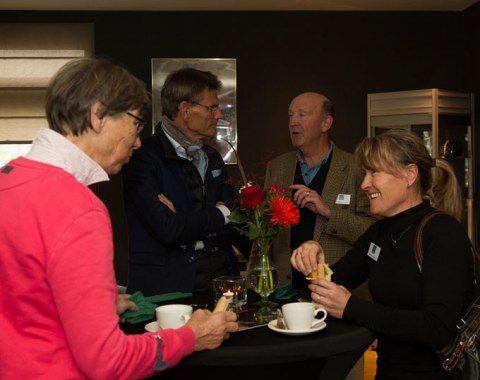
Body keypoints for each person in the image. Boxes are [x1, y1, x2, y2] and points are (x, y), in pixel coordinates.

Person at [0, 57, 238, 379]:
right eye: (136, 123)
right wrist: (190, 337)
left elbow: (22, 298)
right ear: (98, 115)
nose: (138, 141)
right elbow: (108, 361)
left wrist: (91, 308)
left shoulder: (9, 180)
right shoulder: (79, 207)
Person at [291, 128, 475, 379]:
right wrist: (315, 257)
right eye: (365, 173)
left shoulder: (442, 233)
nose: (365, 184)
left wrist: (351, 307)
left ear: (410, 174)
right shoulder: (380, 233)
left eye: (374, 172)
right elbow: (331, 284)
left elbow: (436, 328)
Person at [123, 67, 244, 296]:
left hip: (220, 285)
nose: (218, 115)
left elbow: (236, 218)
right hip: (167, 292)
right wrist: (220, 215)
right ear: (185, 109)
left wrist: (186, 221)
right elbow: (168, 230)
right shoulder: (142, 157)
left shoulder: (212, 157)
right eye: (212, 108)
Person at [262, 91, 376, 288]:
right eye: (290, 115)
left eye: (302, 114)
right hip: (284, 290)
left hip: (337, 288)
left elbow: (374, 232)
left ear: (326, 123)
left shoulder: (356, 168)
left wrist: (329, 212)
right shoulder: (277, 167)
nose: (293, 122)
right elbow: (263, 231)